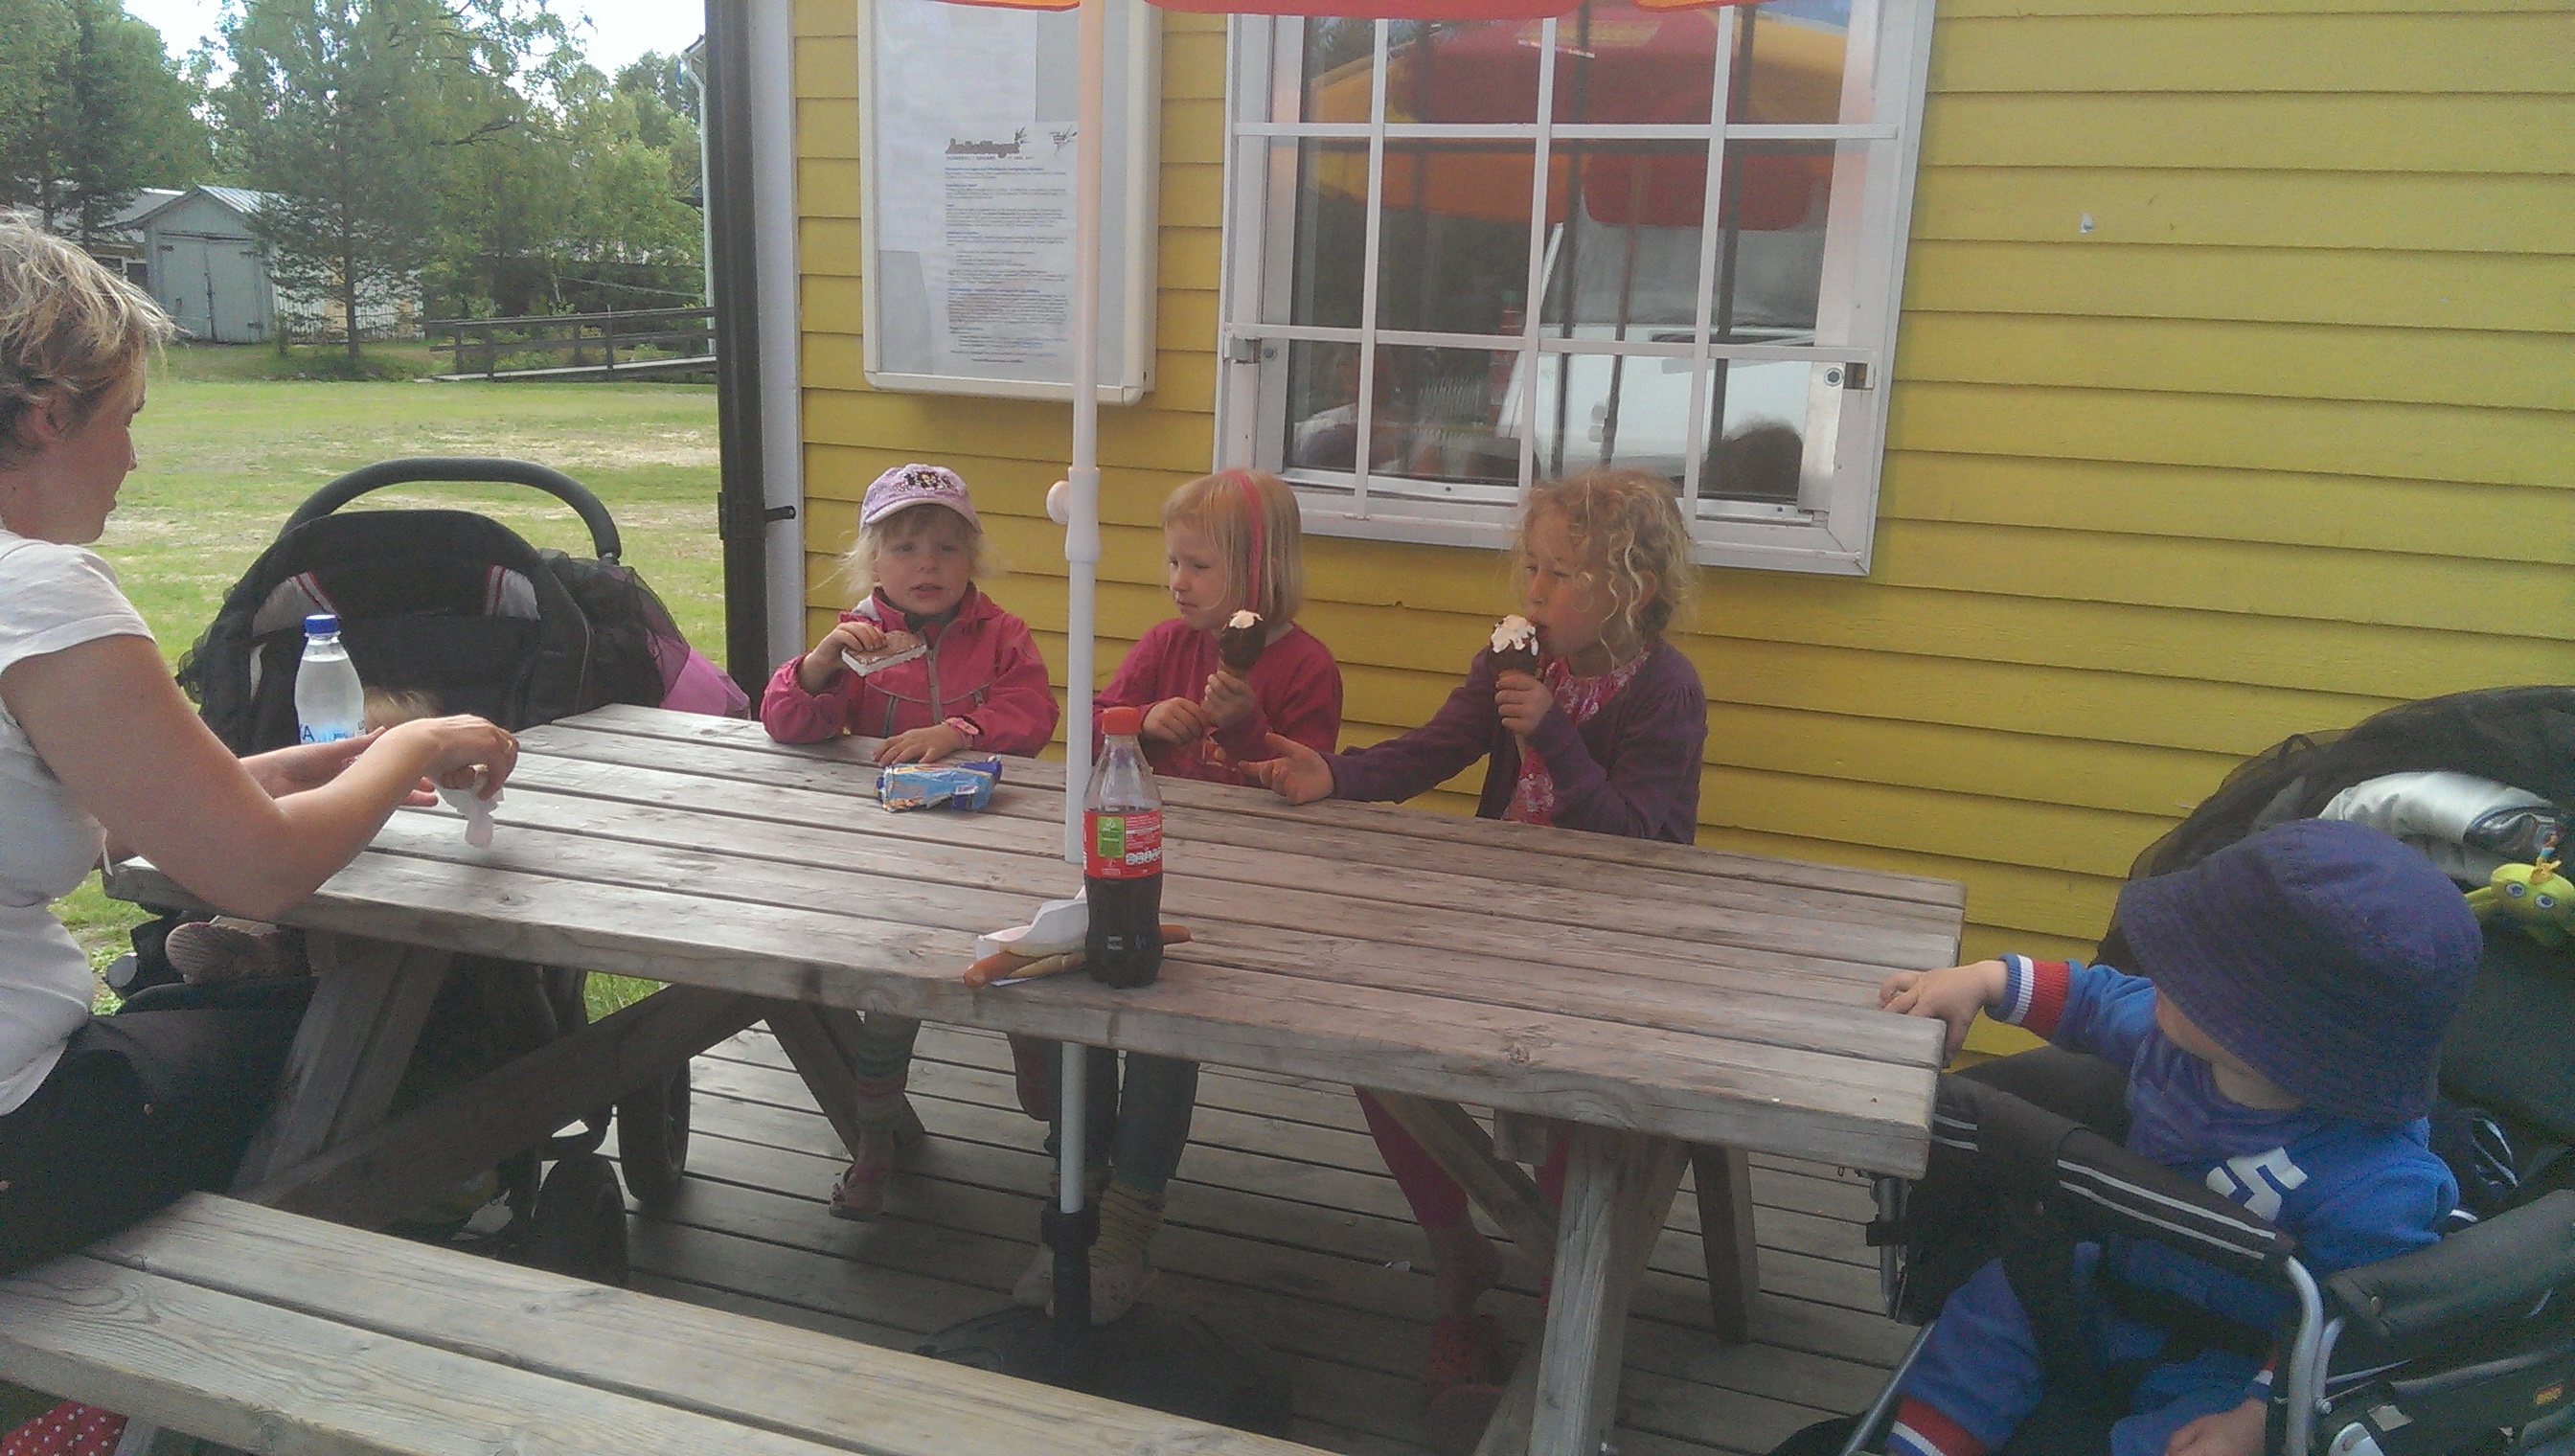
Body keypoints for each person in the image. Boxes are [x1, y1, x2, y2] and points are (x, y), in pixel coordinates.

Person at [0, 211, 519, 1275]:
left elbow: (101, 810)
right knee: (399, 1026)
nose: (132, 457)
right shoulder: (38, 594)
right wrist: (417, 742)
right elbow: (261, 869)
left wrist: (298, 768)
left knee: (198, 993)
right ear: (50, 415)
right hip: (26, 1140)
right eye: (125, 419)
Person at [1244, 466, 1704, 1451]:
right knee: (1378, 1043)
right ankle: (1456, 1254)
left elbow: (1639, 845)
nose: (1534, 591)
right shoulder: (1515, 655)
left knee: (1574, 1104)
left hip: (1614, 945)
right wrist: (1337, 775)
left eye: (1563, 574)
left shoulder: (1665, 691)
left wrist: (1558, 739)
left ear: (1633, 587)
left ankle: (1559, 1303)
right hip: (1498, 918)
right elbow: (1436, 748)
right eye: (1533, 567)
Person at [1873, 818, 2481, 1456]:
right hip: (2110, 1284)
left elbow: (2349, 1321)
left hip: (2234, 1361)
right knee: (1999, 1299)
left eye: (2193, 972)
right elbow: (2091, 999)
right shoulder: (2171, 1040)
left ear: (2277, 1039)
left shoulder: (2376, 1183)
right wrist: (1985, 981)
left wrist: (2256, 1418)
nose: (2159, 969)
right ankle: (1925, 1443)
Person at [1008, 466, 1342, 1325]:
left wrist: (1246, 725)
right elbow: (1095, 727)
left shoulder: (1306, 665)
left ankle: (1128, 1220)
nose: (1177, 582)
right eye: (1172, 563)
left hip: (1246, 889)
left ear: (1259, 572)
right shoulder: (1165, 646)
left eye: (1198, 566)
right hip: (1138, 867)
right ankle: (1075, 1188)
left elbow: (1302, 783)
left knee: (1163, 1037)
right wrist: (1145, 722)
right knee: (1082, 1005)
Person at [759, 462, 1059, 1220]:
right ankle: (873, 1139)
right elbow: (788, 725)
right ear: (872, 562)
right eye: (905, 548)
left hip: (992, 847)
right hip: (891, 852)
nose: (928, 565)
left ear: (973, 559)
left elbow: (1032, 715)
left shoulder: (1002, 635)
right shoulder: (858, 639)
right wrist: (820, 664)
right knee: (889, 1003)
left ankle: (1048, 1090)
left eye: (946, 548)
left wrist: (958, 730)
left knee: (1018, 973)